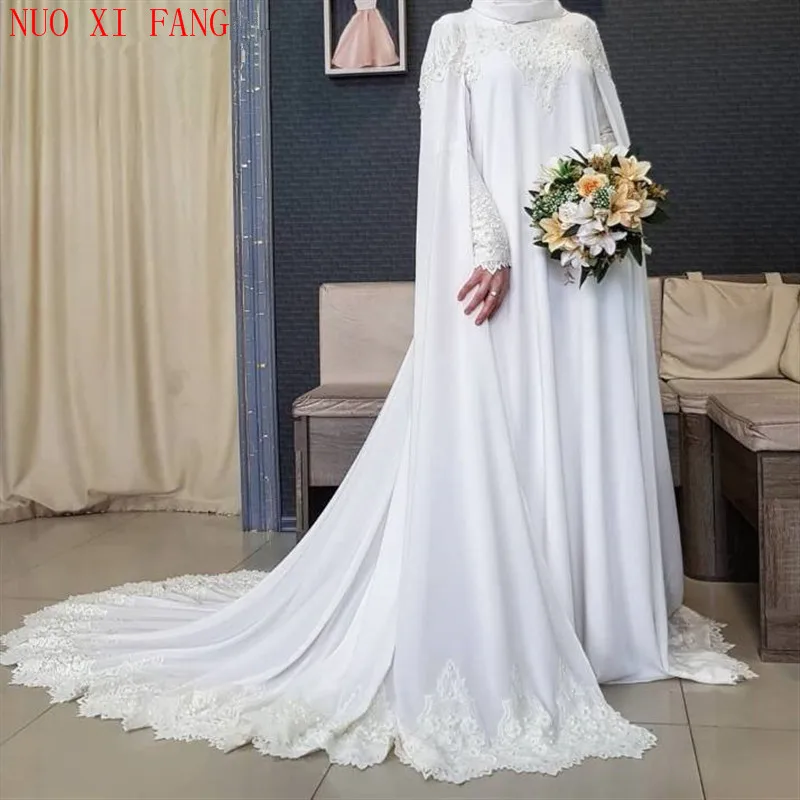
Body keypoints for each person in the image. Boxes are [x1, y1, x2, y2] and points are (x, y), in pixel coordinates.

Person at [1, 0, 754, 785]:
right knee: (504, 427)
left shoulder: (580, 32)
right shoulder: (458, 34)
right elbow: (452, 153)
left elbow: (607, 143)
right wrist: (491, 247)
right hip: (500, 276)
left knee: (578, 428)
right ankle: (509, 609)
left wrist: (608, 220)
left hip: (582, 271)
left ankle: (596, 617)